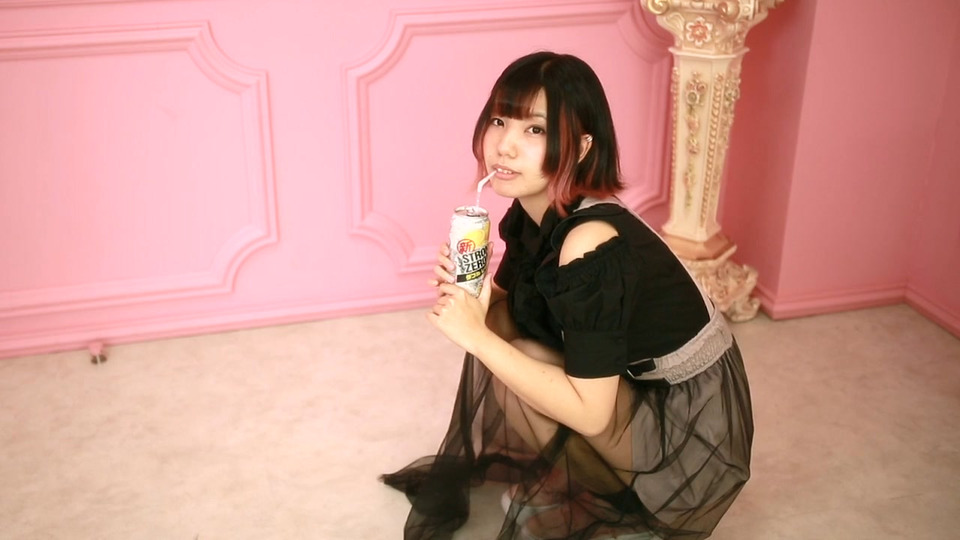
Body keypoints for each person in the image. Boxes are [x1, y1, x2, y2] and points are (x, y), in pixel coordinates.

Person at [381, 51, 754, 540]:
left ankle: (596, 501)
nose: (505, 146)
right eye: (499, 120)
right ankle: (576, 483)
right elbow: (506, 314)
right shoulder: (533, 209)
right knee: (513, 344)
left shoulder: (589, 240)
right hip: (632, 391)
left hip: (683, 430)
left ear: (580, 147)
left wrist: (476, 337)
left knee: (509, 355)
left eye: (535, 129)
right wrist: (471, 295)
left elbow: (592, 414)